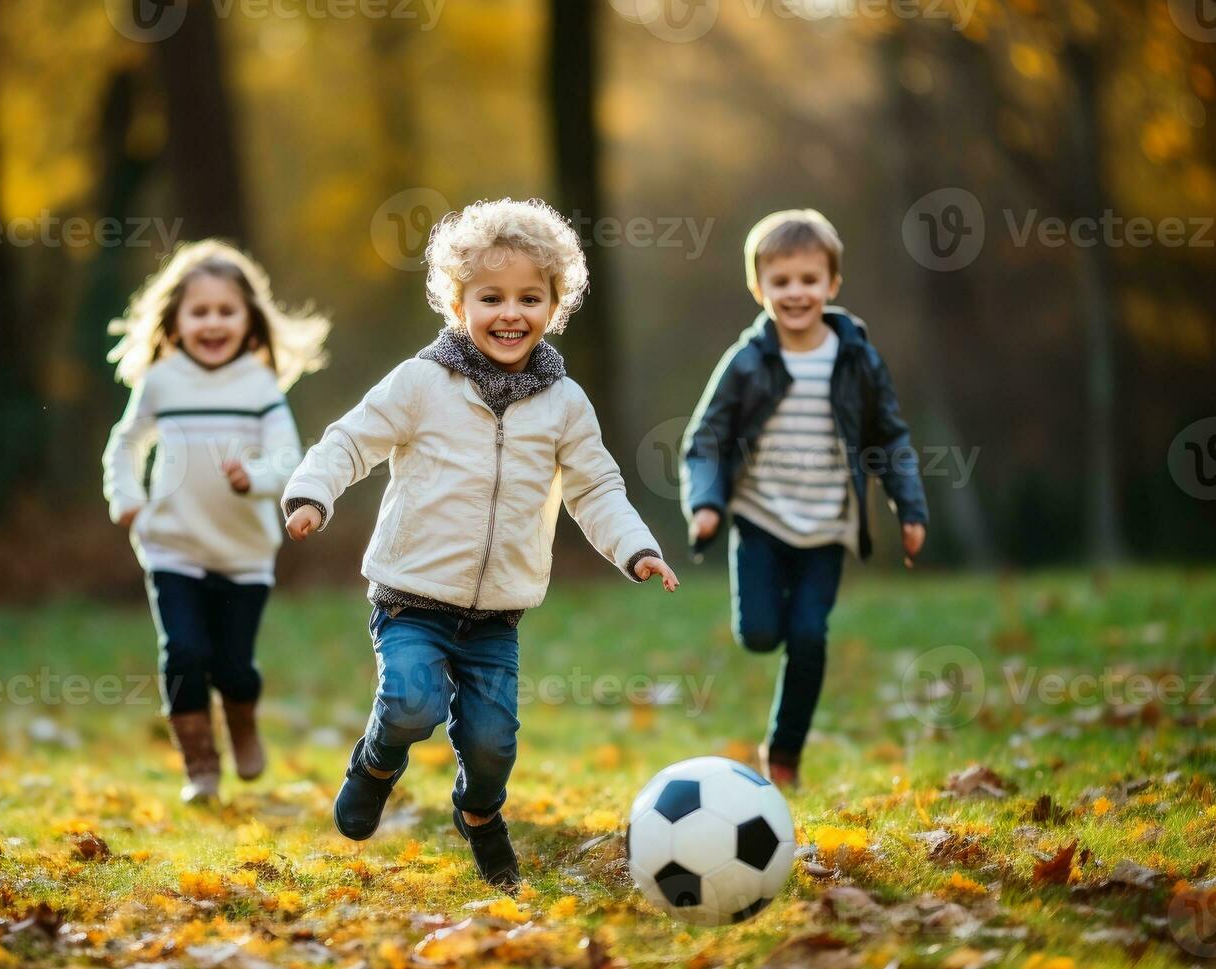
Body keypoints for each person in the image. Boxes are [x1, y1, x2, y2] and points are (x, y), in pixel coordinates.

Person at [282, 198, 678, 889]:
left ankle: (479, 811)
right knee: (411, 705)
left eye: (531, 297)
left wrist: (637, 549)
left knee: (493, 743)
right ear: (457, 301)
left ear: (556, 304)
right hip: (411, 594)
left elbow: (596, 489)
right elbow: (352, 439)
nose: (510, 313)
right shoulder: (422, 383)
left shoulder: (564, 403)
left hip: (497, 612)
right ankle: (375, 764)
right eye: (490, 296)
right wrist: (312, 491)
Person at [681, 209, 928, 788]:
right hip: (761, 521)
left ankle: (785, 753)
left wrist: (909, 507)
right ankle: (773, 639)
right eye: (782, 282)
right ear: (759, 287)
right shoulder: (746, 362)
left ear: (832, 284)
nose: (796, 293)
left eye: (809, 280)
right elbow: (706, 440)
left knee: (810, 635)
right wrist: (708, 504)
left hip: (828, 528)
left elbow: (889, 435)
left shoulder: (857, 359)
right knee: (762, 634)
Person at [102, 239, 329, 804]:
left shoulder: (260, 388)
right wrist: (125, 496)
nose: (212, 322)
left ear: (249, 321)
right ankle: (200, 765)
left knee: (232, 666)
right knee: (183, 653)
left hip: (244, 554)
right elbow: (125, 444)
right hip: (171, 546)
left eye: (226, 311)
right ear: (175, 321)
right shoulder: (161, 381)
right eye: (199, 311)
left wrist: (254, 476)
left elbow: (287, 458)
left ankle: (243, 722)